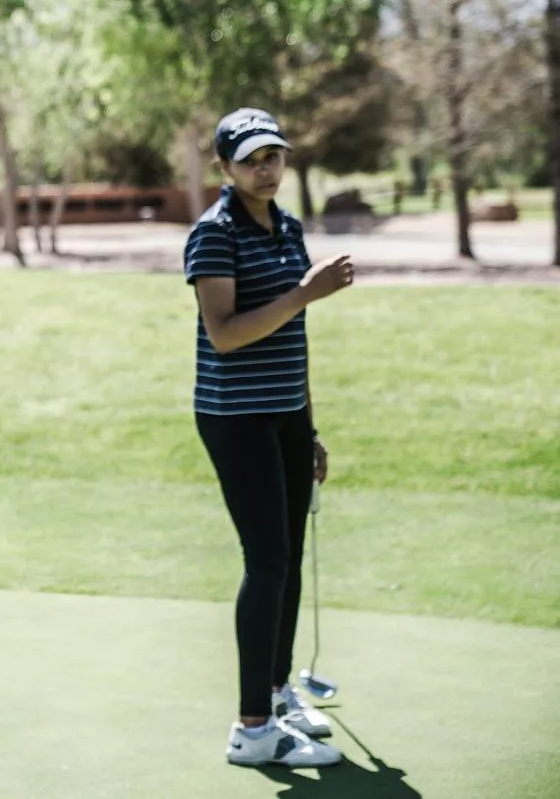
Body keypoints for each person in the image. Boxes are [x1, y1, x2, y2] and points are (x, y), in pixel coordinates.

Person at [183, 107, 356, 769]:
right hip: (235, 417)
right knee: (267, 560)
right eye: (253, 158)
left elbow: (293, 337)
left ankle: (279, 694)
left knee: (286, 555)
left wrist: (308, 426)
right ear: (225, 166)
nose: (267, 167)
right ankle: (252, 728)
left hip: (284, 413)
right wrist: (305, 294)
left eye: (275, 156)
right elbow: (225, 335)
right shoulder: (214, 234)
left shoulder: (286, 225)